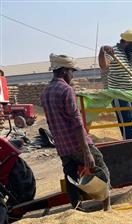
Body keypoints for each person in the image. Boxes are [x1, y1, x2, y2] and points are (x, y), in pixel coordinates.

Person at [41, 54, 111, 211]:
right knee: (100, 167)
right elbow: (77, 123)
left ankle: (77, 209)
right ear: (65, 71)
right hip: (76, 144)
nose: (73, 75)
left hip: (62, 147)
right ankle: (107, 208)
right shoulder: (66, 90)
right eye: (72, 71)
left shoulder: (45, 92)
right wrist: (87, 153)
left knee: (70, 177)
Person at [98, 29, 132, 140]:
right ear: (127, 42)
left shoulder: (131, 55)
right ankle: (130, 147)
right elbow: (103, 65)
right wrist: (102, 50)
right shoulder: (112, 51)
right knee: (128, 124)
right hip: (118, 94)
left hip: (130, 94)